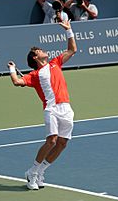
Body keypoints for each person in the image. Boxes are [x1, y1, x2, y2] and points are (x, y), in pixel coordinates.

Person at [7, 20, 77, 190]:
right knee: (52, 141)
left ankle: (39, 171)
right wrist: (12, 69)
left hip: (66, 108)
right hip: (51, 109)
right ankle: (32, 171)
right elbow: (17, 82)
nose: (43, 51)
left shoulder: (55, 63)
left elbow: (72, 49)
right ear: (35, 57)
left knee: (62, 144)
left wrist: (69, 30)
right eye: (39, 50)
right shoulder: (34, 75)